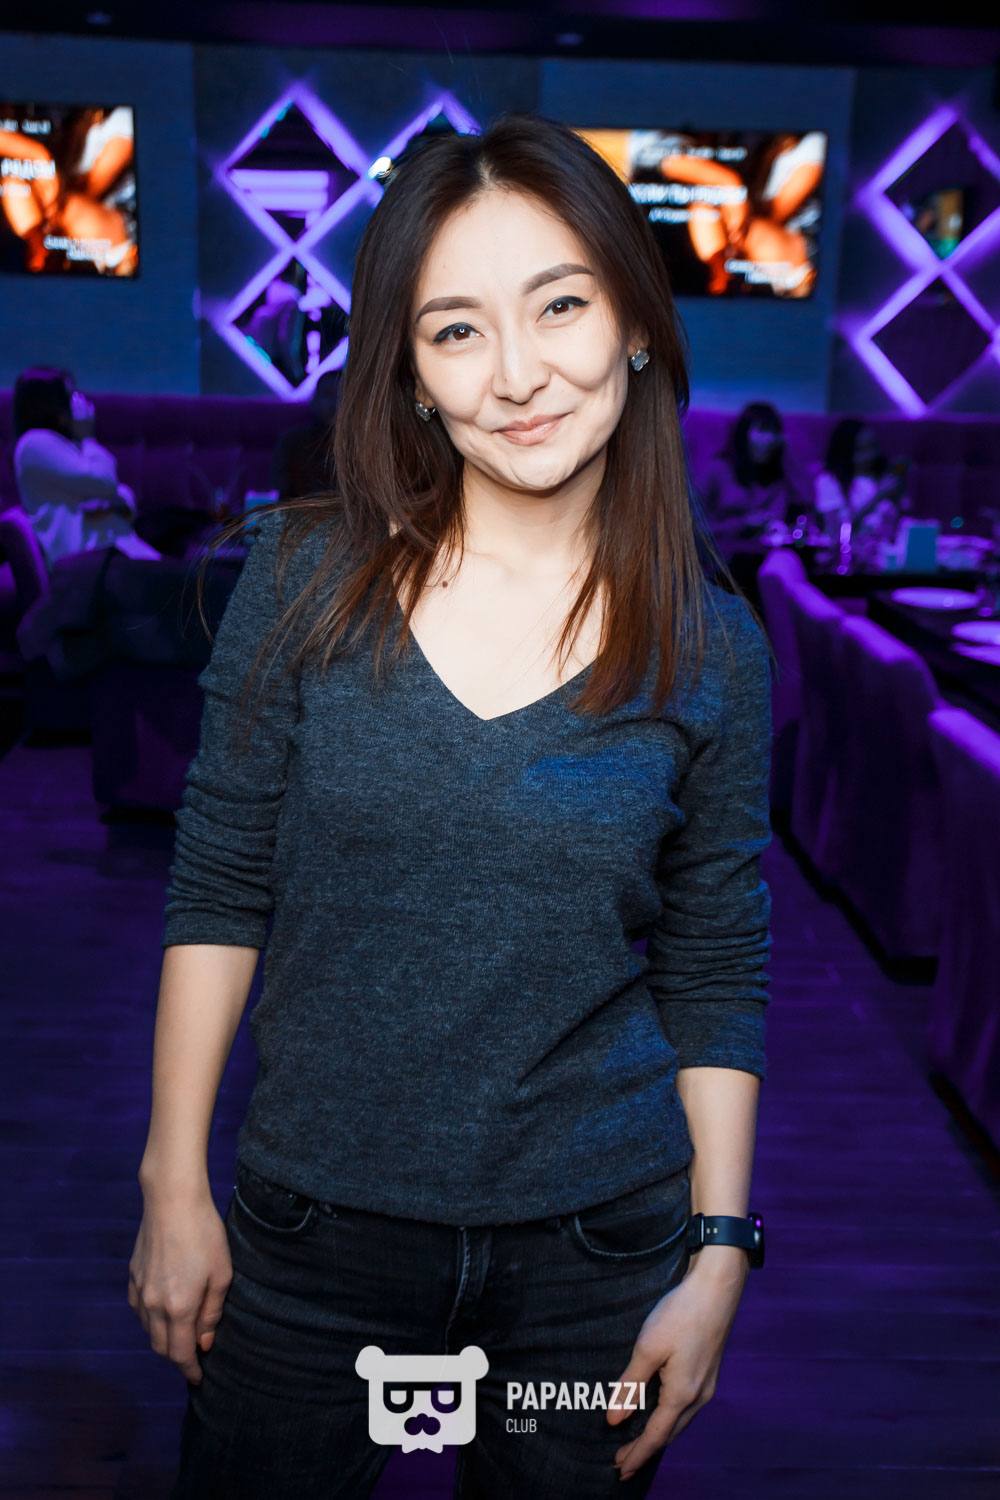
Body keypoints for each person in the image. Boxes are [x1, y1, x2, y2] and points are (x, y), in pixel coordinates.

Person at [131, 114, 774, 1500]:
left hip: (596, 1256)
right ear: (413, 376)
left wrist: (719, 1251)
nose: (519, 375)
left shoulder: (713, 644)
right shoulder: (302, 579)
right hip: (311, 1234)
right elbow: (220, 886)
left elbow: (717, 961)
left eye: (561, 306)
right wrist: (171, 1183)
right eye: (457, 331)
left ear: (636, 325)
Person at [12, 367, 162, 568]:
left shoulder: (66, 445)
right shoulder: (35, 443)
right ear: (49, 405)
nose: (79, 405)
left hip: (112, 553)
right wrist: (88, 438)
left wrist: (113, 502)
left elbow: (115, 492)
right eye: (70, 396)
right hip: (89, 562)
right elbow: (103, 481)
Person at [697, 401, 810, 551]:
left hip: (768, 554)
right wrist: (743, 523)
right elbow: (695, 527)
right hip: (722, 554)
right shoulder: (718, 469)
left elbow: (805, 502)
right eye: (762, 430)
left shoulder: (777, 474)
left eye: (774, 432)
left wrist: (787, 452)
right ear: (744, 434)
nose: (769, 439)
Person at [813, 418, 909, 540]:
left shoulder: (884, 477)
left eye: (873, 446)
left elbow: (901, 528)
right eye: (861, 450)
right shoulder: (829, 480)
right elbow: (834, 533)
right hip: (849, 549)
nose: (870, 455)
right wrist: (877, 497)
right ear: (844, 451)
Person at [269, 369, 341, 499]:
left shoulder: (362, 446)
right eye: (327, 394)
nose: (334, 403)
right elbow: (281, 492)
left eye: (341, 395)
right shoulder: (291, 442)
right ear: (314, 401)